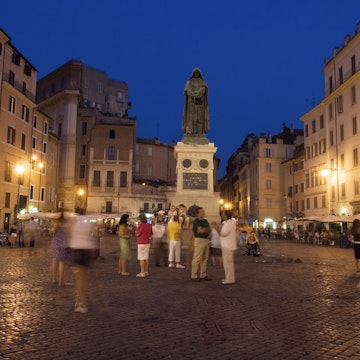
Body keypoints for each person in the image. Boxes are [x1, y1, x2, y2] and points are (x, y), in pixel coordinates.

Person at [69, 215, 98, 313]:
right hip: (86, 250)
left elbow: (70, 235)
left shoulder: (74, 222)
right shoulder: (89, 222)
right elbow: (94, 233)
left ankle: (82, 303)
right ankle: (80, 300)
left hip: (78, 250)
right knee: (83, 278)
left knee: (79, 278)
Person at [182, 68, 209, 135]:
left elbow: (204, 89)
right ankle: (189, 130)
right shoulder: (189, 82)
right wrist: (193, 94)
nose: (196, 74)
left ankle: (200, 131)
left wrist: (198, 94)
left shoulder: (202, 82)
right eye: (195, 72)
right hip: (191, 103)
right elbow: (187, 89)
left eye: (197, 72)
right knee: (190, 117)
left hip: (200, 103)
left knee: (199, 117)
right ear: (193, 73)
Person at [190, 207, 211, 281]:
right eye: (202, 212)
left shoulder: (205, 220)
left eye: (203, 211)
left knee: (205, 259)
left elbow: (209, 230)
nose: (203, 213)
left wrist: (204, 230)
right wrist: (205, 230)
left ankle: (203, 274)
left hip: (206, 240)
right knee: (197, 258)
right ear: (198, 213)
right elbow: (201, 230)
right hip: (199, 240)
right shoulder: (196, 221)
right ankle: (194, 275)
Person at [50, 212, 70, 286]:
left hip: (55, 243)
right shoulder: (67, 224)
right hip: (64, 243)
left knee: (54, 260)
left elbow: (51, 232)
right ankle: (61, 281)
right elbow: (69, 234)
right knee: (62, 262)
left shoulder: (55, 223)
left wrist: (53, 227)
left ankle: (53, 279)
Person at [220, 210, 237, 285]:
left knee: (228, 264)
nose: (221, 216)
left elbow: (223, 233)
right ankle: (229, 278)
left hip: (227, 246)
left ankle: (229, 279)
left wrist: (218, 229)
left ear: (226, 215)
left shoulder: (229, 224)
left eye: (223, 214)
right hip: (229, 245)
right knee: (228, 263)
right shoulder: (230, 223)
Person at [136, 213, 153, 278]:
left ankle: (142, 272)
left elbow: (138, 234)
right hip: (147, 242)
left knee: (141, 258)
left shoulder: (141, 226)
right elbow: (151, 233)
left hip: (141, 243)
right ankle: (146, 271)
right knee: (146, 257)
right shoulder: (149, 225)